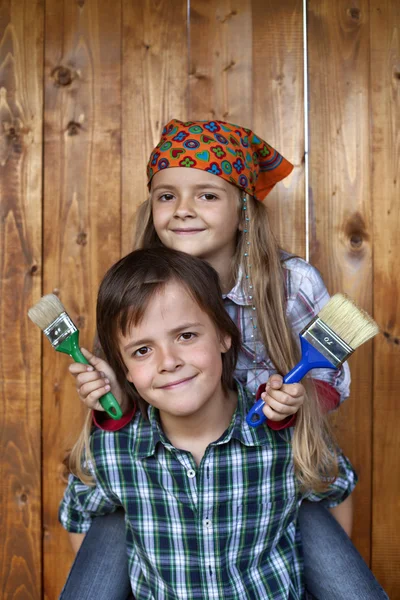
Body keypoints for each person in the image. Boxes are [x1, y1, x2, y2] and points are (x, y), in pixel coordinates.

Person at [61, 119, 388, 599]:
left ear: (244, 213)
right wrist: (109, 400)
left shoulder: (290, 283)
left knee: (311, 512)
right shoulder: (136, 289)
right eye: (166, 196)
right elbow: (134, 387)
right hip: (165, 476)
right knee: (114, 516)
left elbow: (331, 378)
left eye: (207, 195)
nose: (183, 210)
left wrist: (294, 401)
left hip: (270, 457)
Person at [60, 246, 357, 600]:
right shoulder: (113, 451)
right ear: (125, 370)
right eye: (142, 350)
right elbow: (80, 517)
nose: (168, 362)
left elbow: (334, 490)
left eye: (186, 336)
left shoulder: (282, 436)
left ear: (224, 335)